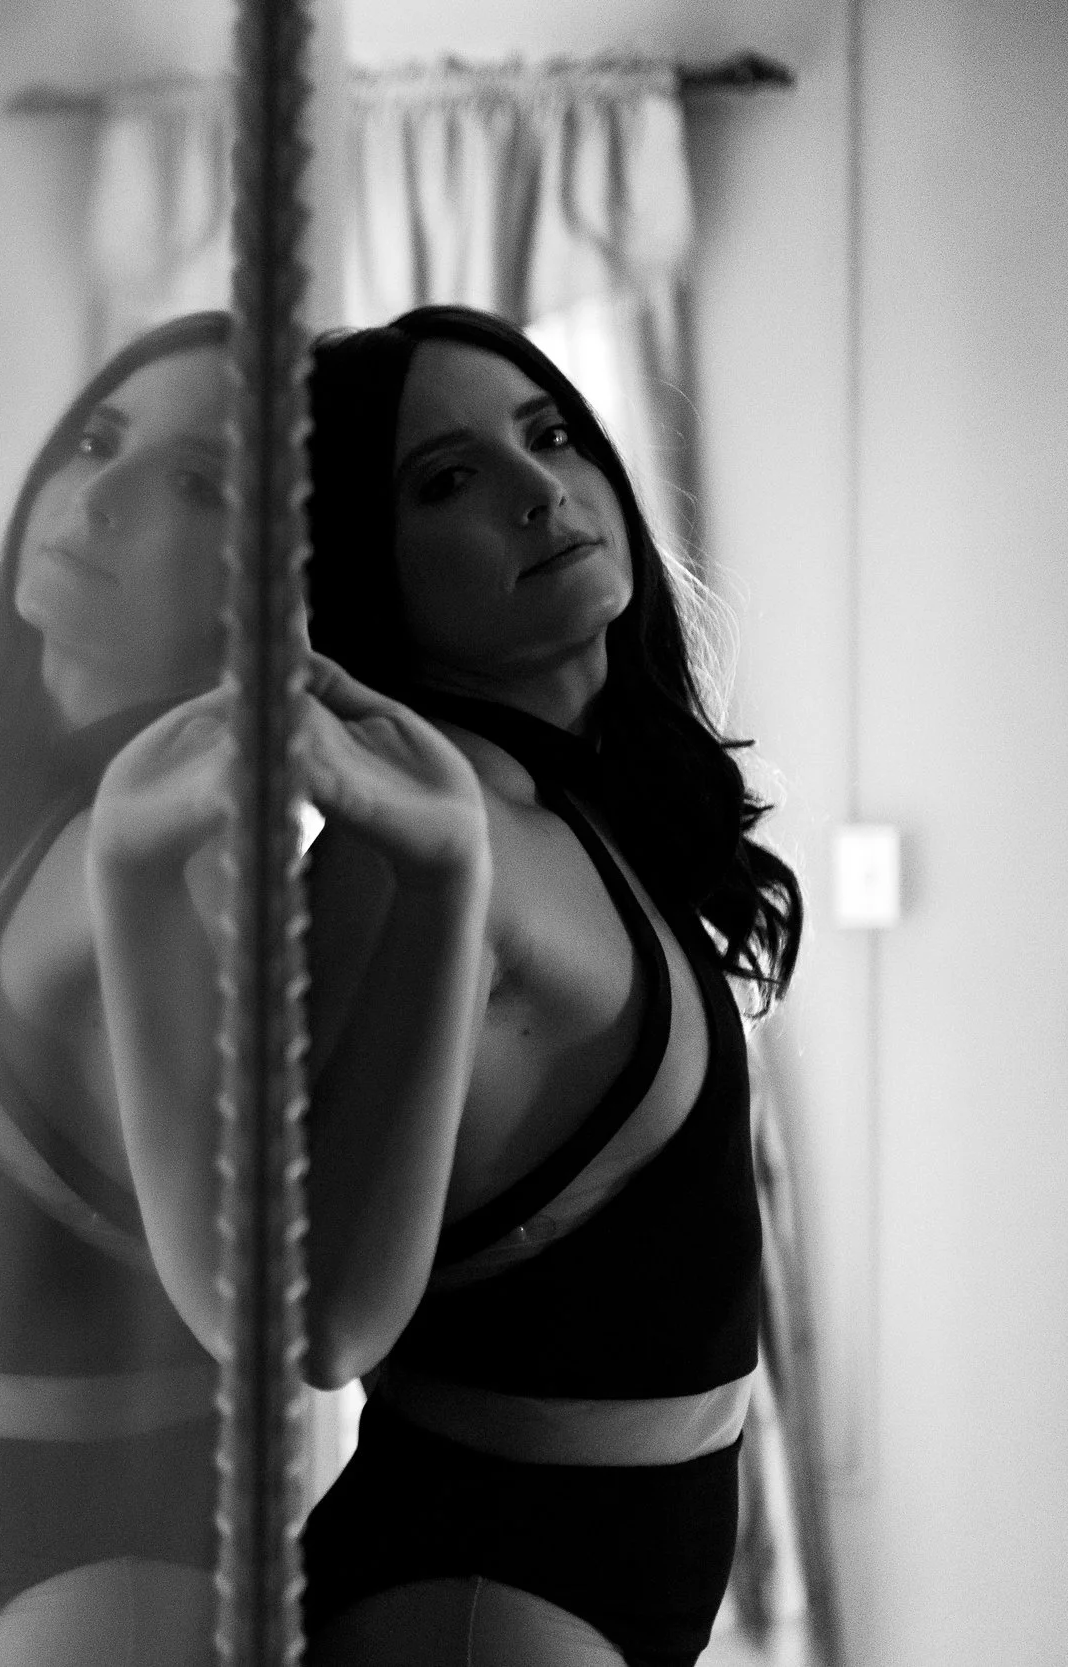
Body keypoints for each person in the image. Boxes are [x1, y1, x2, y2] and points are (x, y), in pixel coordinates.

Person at [0, 311, 494, 1666]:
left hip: (110, 1573)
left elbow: (289, 1319)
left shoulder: (170, 859)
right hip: (28, 1539)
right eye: (100, 440)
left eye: (202, 482)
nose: (99, 495)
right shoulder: (76, 822)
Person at [295, 306, 806, 1667]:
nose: (538, 490)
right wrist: (440, 875)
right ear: (364, 563)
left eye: (552, 433)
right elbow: (325, 1316)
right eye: (446, 480)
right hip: (478, 1592)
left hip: (598, 1572)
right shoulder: (423, 839)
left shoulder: (574, 802)